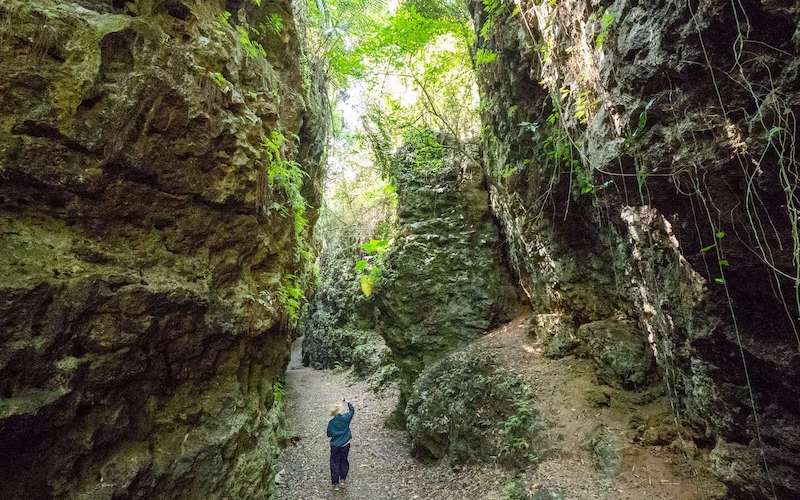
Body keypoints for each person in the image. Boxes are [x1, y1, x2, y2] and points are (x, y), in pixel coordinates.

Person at [326, 398, 355, 490]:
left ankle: (335, 483)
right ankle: (342, 480)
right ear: (340, 410)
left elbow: (329, 434)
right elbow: (352, 411)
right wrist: (348, 402)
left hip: (335, 445)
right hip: (345, 444)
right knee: (344, 461)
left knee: (334, 462)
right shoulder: (346, 418)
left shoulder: (331, 423)